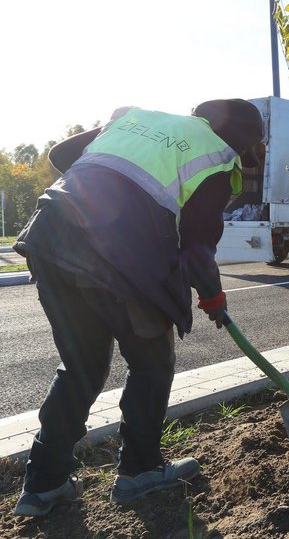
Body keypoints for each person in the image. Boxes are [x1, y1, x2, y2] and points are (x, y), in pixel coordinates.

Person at [12, 99, 264, 516]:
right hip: (119, 257)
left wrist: (96, 194)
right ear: (242, 143)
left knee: (82, 367)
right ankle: (140, 471)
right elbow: (198, 252)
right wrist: (214, 300)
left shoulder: (138, 120)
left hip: (50, 238)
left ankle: (43, 485)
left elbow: (60, 155)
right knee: (152, 363)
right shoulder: (218, 158)